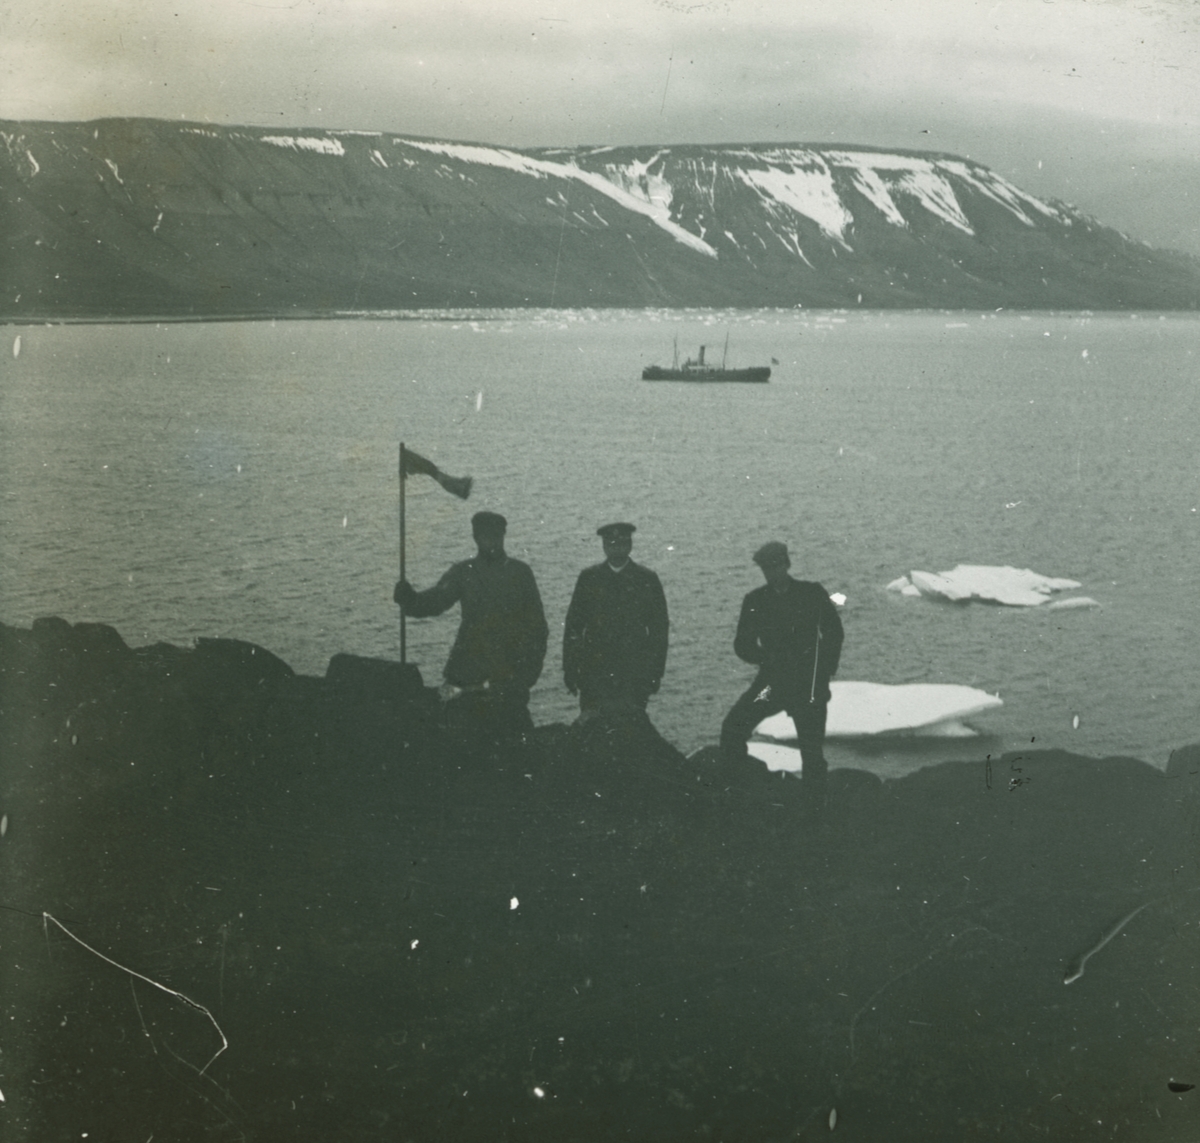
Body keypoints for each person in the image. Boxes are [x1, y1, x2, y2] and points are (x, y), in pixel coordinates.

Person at [395, 511, 548, 741]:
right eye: (486, 536)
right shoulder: (463, 572)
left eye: (496, 536)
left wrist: (527, 675)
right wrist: (410, 600)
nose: (492, 541)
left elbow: (538, 629)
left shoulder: (520, 573)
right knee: (461, 743)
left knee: (514, 744)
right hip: (467, 674)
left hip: (507, 678)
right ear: (476, 538)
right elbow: (437, 600)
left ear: (504, 535)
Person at [720, 540, 844, 783]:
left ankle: (814, 802)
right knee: (732, 728)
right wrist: (766, 658)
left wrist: (823, 673)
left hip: (808, 686)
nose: (771, 573)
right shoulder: (755, 600)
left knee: (812, 753)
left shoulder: (811, 593)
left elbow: (833, 633)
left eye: (775, 566)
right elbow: (742, 644)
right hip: (770, 685)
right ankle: (744, 788)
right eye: (766, 569)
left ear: (786, 564)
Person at [563, 522, 669, 723]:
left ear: (630, 545)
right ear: (604, 546)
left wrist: (655, 673)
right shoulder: (589, 579)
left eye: (622, 543)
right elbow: (573, 627)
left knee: (631, 728)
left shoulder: (646, 579)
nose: (617, 549)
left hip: (632, 675)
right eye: (611, 544)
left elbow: (659, 632)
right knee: (594, 728)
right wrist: (570, 670)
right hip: (595, 674)